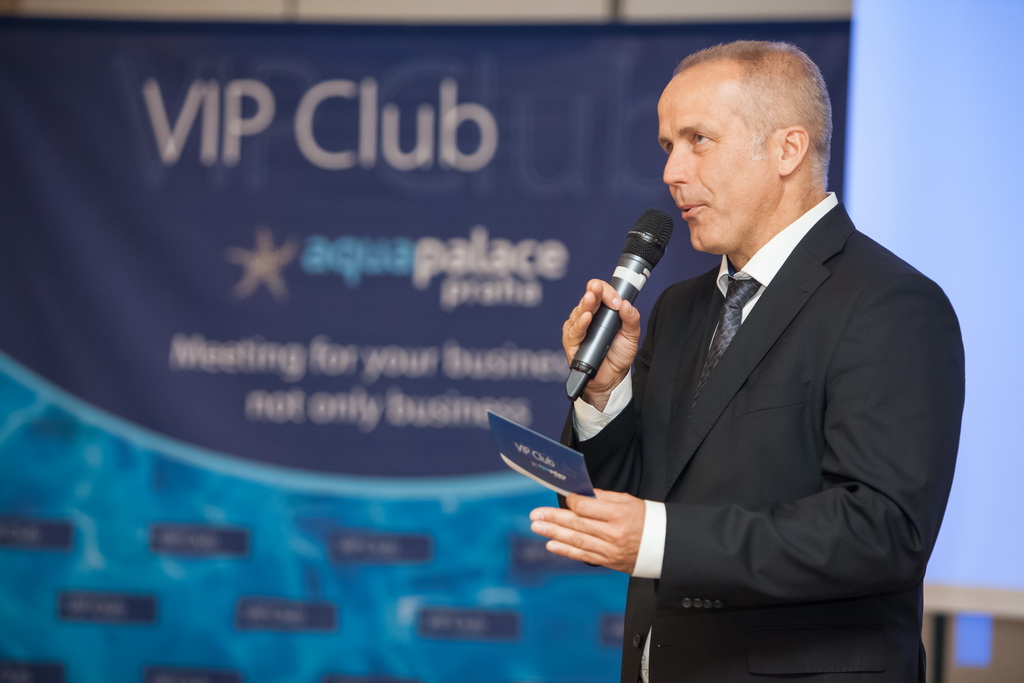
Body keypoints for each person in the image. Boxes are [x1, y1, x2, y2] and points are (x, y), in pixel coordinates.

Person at [528, 41, 965, 683]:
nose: (672, 171)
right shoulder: (678, 308)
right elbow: (624, 506)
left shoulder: (890, 303)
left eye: (698, 140)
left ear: (788, 150)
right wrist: (603, 396)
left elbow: (881, 531)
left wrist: (660, 539)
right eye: (667, 146)